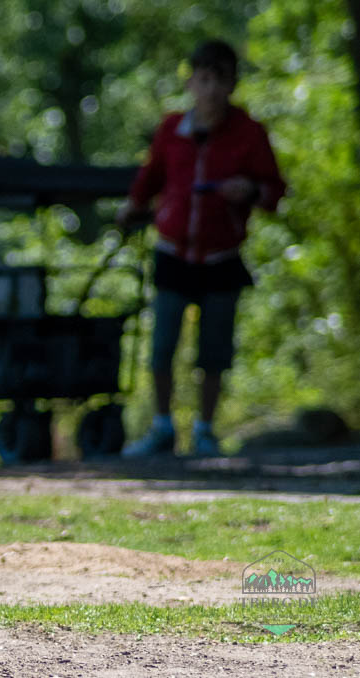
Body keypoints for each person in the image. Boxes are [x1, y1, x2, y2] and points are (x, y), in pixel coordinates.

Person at [117, 39, 286, 458]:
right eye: (204, 79)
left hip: (221, 256)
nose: (211, 89)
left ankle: (205, 430)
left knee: (214, 350)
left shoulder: (249, 133)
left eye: (220, 80)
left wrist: (248, 190)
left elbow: (274, 191)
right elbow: (150, 178)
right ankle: (161, 428)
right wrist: (132, 207)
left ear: (232, 84)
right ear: (192, 81)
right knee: (162, 345)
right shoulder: (172, 130)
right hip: (173, 250)